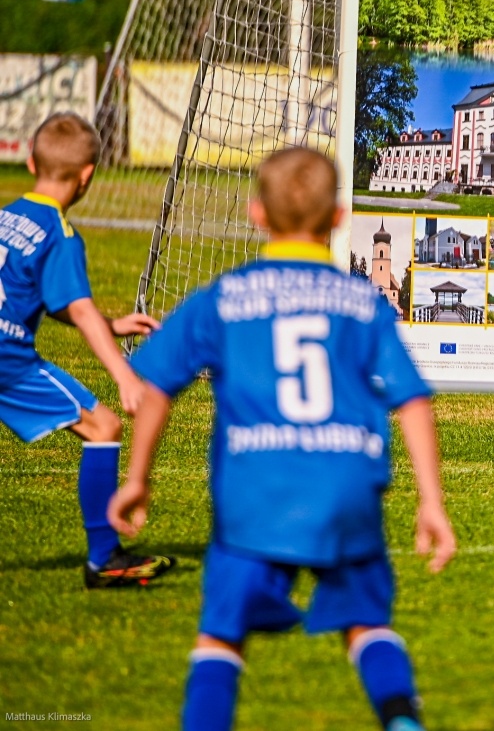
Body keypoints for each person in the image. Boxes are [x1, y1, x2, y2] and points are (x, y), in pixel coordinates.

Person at [108, 147, 456, 731]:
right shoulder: (361, 302)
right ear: (340, 215)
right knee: (367, 623)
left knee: (221, 637)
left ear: (256, 214)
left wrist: (137, 479)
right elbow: (412, 398)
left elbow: (158, 386)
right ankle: (401, 721)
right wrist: (432, 502)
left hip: (254, 494)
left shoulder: (223, 297)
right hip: (345, 488)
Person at [0, 112, 172, 587]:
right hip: (7, 360)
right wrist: (123, 375)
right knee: (105, 425)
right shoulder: (58, 233)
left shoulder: (6, 214)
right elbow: (76, 308)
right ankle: (103, 558)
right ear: (88, 176)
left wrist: (111, 324)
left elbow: (37, 295)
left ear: (30, 161)